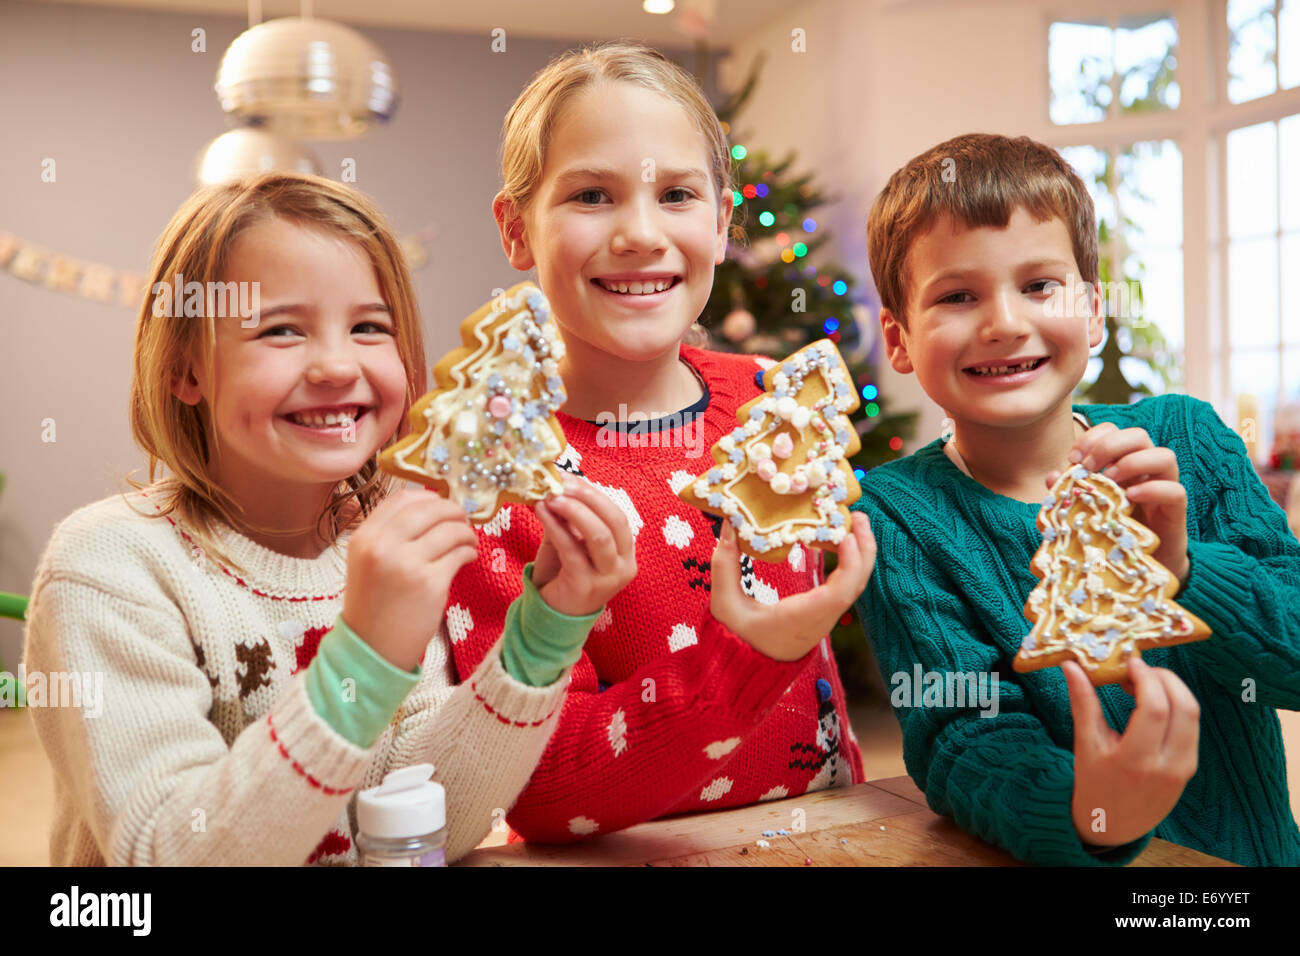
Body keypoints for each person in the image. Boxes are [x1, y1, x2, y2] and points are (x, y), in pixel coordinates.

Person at [22, 172, 631, 865]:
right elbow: (167, 852)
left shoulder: (391, 541)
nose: (339, 365)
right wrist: (364, 658)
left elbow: (436, 824)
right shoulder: (108, 567)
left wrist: (543, 635)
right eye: (281, 330)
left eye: (370, 327)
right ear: (185, 370)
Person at [444, 40, 877, 842]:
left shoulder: (777, 402)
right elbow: (531, 787)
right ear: (517, 230)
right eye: (592, 195)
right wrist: (743, 660)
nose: (641, 234)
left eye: (675, 194)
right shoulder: (496, 476)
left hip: (835, 836)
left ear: (720, 224)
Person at [853, 132, 1300, 866]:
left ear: (1092, 310)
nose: (1003, 321)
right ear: (899, 340)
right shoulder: (897, 515)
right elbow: (963, 738)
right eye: (958, 295)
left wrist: (1184, 570)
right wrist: (1097, 807)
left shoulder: (1186, 439)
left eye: (1038, 286)